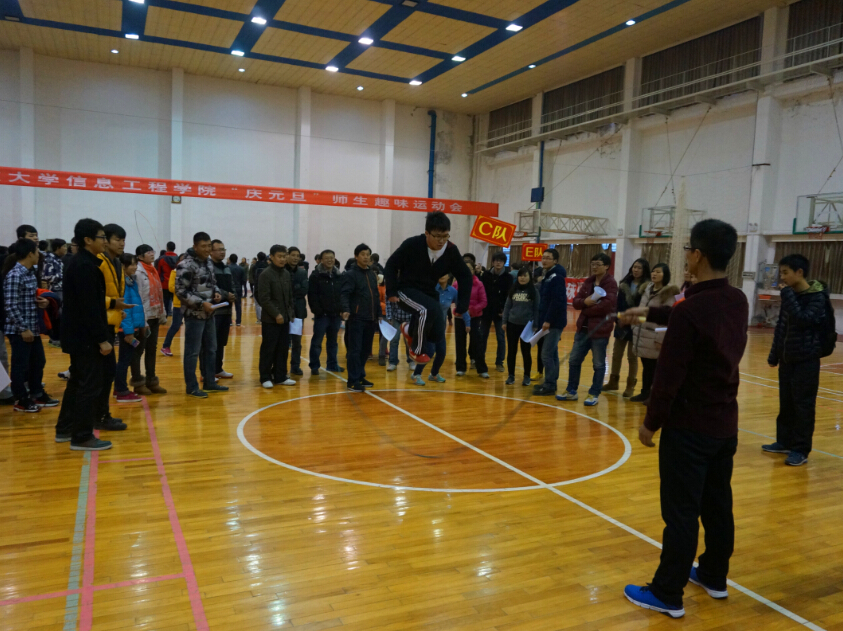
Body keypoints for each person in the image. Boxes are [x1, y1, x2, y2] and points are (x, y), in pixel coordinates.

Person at [621, 219, 748, 619]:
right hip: (724, 425)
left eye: (688, 250)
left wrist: (651, 422)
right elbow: (687, 309)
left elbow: (668, 376)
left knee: (680, 511)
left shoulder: (690, 311)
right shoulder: (737, 300)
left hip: (689, 429)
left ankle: (667, 592)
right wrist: (647, 312)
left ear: (697, 254)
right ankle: (713, 574)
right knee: (717, 504)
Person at [55, 219, 120, 451]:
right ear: (88, 240)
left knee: (77, 383)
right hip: (85, 338)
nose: (104, 241)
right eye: (102, 237)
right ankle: (82, 436)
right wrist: (102, 339)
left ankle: (65, 428)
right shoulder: (84, 266)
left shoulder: (84, 262)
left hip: (79, 335)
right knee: (89, 386)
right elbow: (89, 308)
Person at [764, 254, 830, 467]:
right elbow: (781, 328)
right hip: (787, 359)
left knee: (803, 406)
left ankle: (800, 449)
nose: (782, 277)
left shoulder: (817, 297)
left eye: (785, 273)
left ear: (799, 272)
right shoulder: (790, 296)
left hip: (806, 360)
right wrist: (774, 355)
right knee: (786, 403)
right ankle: (784, 441)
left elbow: (803, 319)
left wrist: (788, 297)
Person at [385, 212, 472, 366]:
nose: (442, 241)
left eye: (445, 236)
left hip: (428, 292)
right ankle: (416, 350)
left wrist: (463, 304)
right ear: (427, 233)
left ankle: (409, 330)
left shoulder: (451, 250)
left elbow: (465, 275)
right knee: (427, 309)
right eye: (437, 236)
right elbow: (391, 265)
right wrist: (391, 291)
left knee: (437, 334)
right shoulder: (412, 244)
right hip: (405, 290)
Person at [556, 253, 618, 406]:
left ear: (606, 266)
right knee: (574, 360)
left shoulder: (610, 283)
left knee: (598, 364)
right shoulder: (589, 281)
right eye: (593, 264)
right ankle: (571, 390)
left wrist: (586, 308)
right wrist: (585, 302)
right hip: (582, 330)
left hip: (599, 330)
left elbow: (606, 306)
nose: (594, 267)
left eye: (598, 264)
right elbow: (576, 302)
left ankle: (594, 393)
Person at [3, 239, 57, 412]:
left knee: (38, 361)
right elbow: (10, 305)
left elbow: (26, 298)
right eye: (37, 251)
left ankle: (37, 393)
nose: (39, 255)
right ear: (30, 254)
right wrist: (23, 328)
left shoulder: (30, 273)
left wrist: (41, 302)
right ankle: (21, 399)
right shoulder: (15, 275)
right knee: (20, 366)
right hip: (20, 330)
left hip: (32, 328)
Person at [175, 232, 226, 399]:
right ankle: (191, 387)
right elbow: (180, 291)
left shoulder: (208, 263)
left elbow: (213, 283)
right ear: (195, 246)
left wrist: (216, 293)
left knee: (211, 349)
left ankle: (210, 382)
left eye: (209, 246)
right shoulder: (185, 265)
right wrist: (201, 303)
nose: (207, 249)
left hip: (209, 313)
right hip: (194, 315)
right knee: (192, 352)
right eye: (203, 246)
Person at [630, 264, 681, 403]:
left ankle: (653, 395)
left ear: (665, 275)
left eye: (658, 272)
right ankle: (645, 392)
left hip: (654, 336)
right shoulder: (647, 289)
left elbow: (667, 318)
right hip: (642, 333)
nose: (654, 274)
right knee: (646, 366)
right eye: (653, 271)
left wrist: (660, 338)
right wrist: (635, 327)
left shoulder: (669, 293)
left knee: (653, 368)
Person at [97, 224, 130, 427]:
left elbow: (114, 293)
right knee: (100, 375)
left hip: (111, 324)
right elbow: (93, 297)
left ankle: (102, 414)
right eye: (117, 239)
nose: (122, 243)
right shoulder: (99, 262)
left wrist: (118, 310)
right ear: (106, 240)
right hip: (99, 326)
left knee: (107, 373)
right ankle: (98, 416)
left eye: (123, 239)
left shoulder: (116, 262)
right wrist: (113, 304)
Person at [604, 259, 650, 398]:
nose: (636, 270)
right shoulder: (624, 284)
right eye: (634, 267)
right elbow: (618, 303)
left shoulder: (648, 287)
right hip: (622, 323)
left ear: (644, 270)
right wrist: (618, 318)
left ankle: (630, 386)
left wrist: (635, 320)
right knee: (616, 354)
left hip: (636, 324)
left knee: (632, 356)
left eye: (639, 268)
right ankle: (613, 381)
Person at [341, 244, 381, 392]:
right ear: (356, 256)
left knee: (365, 350)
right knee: (355, 350)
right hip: (356, 318)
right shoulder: (350, 274)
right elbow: (345, 293)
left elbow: (375, 295)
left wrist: (379, 314)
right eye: (363, 254)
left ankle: (360, 376)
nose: (366, 257)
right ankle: (352, 380)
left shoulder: (371, 274)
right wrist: (346, 309)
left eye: (368, 254)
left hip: (371, 318)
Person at [257, 245, 296, 388]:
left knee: (283, 348)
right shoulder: (265, 274)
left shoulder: (286, 273)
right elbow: (264, 299)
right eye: (279, 256)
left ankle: (280, 376)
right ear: (272, 257)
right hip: (271, 320)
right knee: (269, 349)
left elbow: (290, 296)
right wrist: (276, 314)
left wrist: (290, 313)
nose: (282, 259)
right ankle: (265, 377)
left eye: (284, 256)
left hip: (285, 318)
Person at [533, 248, 568, 396]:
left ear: (555, 261)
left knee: (546, 354)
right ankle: (551, 382)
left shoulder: (556, 277)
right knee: (552, 353)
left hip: (554, 322)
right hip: (548, 320)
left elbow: (556, 301)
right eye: (543, 257)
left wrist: (548, 320)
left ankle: (549, 384)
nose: (544, 260)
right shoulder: (548, 275)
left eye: (548, 258)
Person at [133, 245, 167, 395]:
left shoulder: (153, 270)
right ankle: (138, 382)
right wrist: (143, 320)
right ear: (140, 256)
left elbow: (159, 293)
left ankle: (151, 380)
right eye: (148, 253)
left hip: (154, 315)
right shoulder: (138, 272)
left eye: (152, 252)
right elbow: (138, 297)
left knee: (151, 349)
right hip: (143, 317)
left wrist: (162, 313)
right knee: (139, 350)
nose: (152, 254)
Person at [113, 253, 146, 403]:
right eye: (131, 264)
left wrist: (141, 325)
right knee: (124, 361)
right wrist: (128, 332)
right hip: (127, 329)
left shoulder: (131, 281)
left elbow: (136, 307)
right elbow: (124, 309)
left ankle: (118, 388)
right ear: (123, 266)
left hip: (133, 327)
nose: (134, 267)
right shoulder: (122, 284)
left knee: (125, 359)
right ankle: (121, 390)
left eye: (135, 264)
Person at [410, 275, 454, 385]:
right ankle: (416, 374)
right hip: (427, 326)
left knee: (442, 352)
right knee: (429, 351)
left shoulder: (452, 291)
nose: (441, 276)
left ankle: (434, 374)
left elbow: (461, 305)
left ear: (449, 276)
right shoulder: (430, 289)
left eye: (444, 273)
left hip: (440, 327)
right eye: (440, 273)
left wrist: (467, 320)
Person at [307, 249, 345, 375]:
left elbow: (342, 294)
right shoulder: (315, 276)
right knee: (317, 342)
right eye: (327, 258)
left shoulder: (338, 275)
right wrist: (318, 311)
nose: (329, 260)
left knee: (333, 342)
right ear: (321, 260)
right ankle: (314, 366)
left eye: (331, 258)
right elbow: (312, 296)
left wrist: (341, 309)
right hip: (322, 316)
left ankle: (332, 365)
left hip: (335, 315)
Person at [502, 266, 540, 386]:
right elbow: (507, 307)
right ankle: (511, 376)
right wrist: (504, 322)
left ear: (529, 277)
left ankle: (526, 376)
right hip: (512, 324)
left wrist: (535, 324)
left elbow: (537, 309)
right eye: (520, 276)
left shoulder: (534, 291)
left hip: (527, 326)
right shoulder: (513, 290)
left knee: (526, 352)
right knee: (511, 351)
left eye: (525, 276)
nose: (522, 278)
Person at [478, 252, 513, 375]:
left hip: (500, 313)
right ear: (492, 262)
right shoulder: (486, 275)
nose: (498, 263)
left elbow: (509, 295)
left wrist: (504, 310)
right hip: (486, 311)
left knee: (501, 338)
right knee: (482, 336)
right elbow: (481, 292)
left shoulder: (508, 277)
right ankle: (480, 361)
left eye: (501, 261)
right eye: (496, 260)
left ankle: (499, 362)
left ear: (504, 263)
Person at [452, 261, 487, 377]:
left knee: (477, 343)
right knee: (460, 343)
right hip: (459, 317)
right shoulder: (456, 284)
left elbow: (484, 302)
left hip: (475, 318)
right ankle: (461, 368)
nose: (467, 270)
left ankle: (482, 369)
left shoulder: (479, 284)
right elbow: (451, 298)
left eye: (470, 268)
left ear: (473, 270)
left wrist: (471, 310)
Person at [209, 240, 236, 380]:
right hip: (214, 311)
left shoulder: (226, 268)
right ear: (211, 251)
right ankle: (207, 372)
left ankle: (218, 369)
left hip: (226, 311)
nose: (222, 252)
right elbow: (209, 287)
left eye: (223, 249)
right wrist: (226, 295)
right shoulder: (208, 268)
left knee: (221, 342)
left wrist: (233, 295)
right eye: (219, 249)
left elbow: (232, 285)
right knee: (210, 344)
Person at [286, 247, 309, 376]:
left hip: (298, 311)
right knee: (283, 342)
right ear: (287, 255)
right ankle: (280, 367)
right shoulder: (282, 271)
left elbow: (304, 290)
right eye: (293, 255)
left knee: (297, 342)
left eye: (297, 256)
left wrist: (293, 289)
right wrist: (296, 288)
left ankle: (295, 366)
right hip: (284, 310)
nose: (295, 258)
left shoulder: (302, 272)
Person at [42, 238, 67, 348]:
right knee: (57, 315)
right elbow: (47, 276)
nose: (66, 249)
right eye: (64, 246)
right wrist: (63, 276)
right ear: (57, 248)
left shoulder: (58, 259)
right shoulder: (50, 259)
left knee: (60, 315)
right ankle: (55, 338)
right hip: (55, 290)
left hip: (60, 289)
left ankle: (58, 338)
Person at [161, 253, 186, 357]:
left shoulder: (192, 272)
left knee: (192, 327)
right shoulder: (174, 272)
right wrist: (185, 291)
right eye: (182, 260)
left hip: (191, 304)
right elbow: (171, 287)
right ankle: (165, 346)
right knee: (176, 325)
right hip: (179, 304)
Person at [157, 241, 178, 317]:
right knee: (176, 303)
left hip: (164, 283)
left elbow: (158, 272)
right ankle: (177, 319)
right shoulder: (178, 259)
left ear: (167, 248)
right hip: (175, 284)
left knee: (165, 302)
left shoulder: (161, 259)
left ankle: (165, 317)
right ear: (174, 248)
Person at [230, 254, 246, 326]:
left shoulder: (227, 268)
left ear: (230, 260)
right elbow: (243, 280)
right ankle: (238, 321)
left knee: (229, 306)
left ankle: (230, 321)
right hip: (238, 288)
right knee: (238, 306)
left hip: (229, 289)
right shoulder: (241, 269)